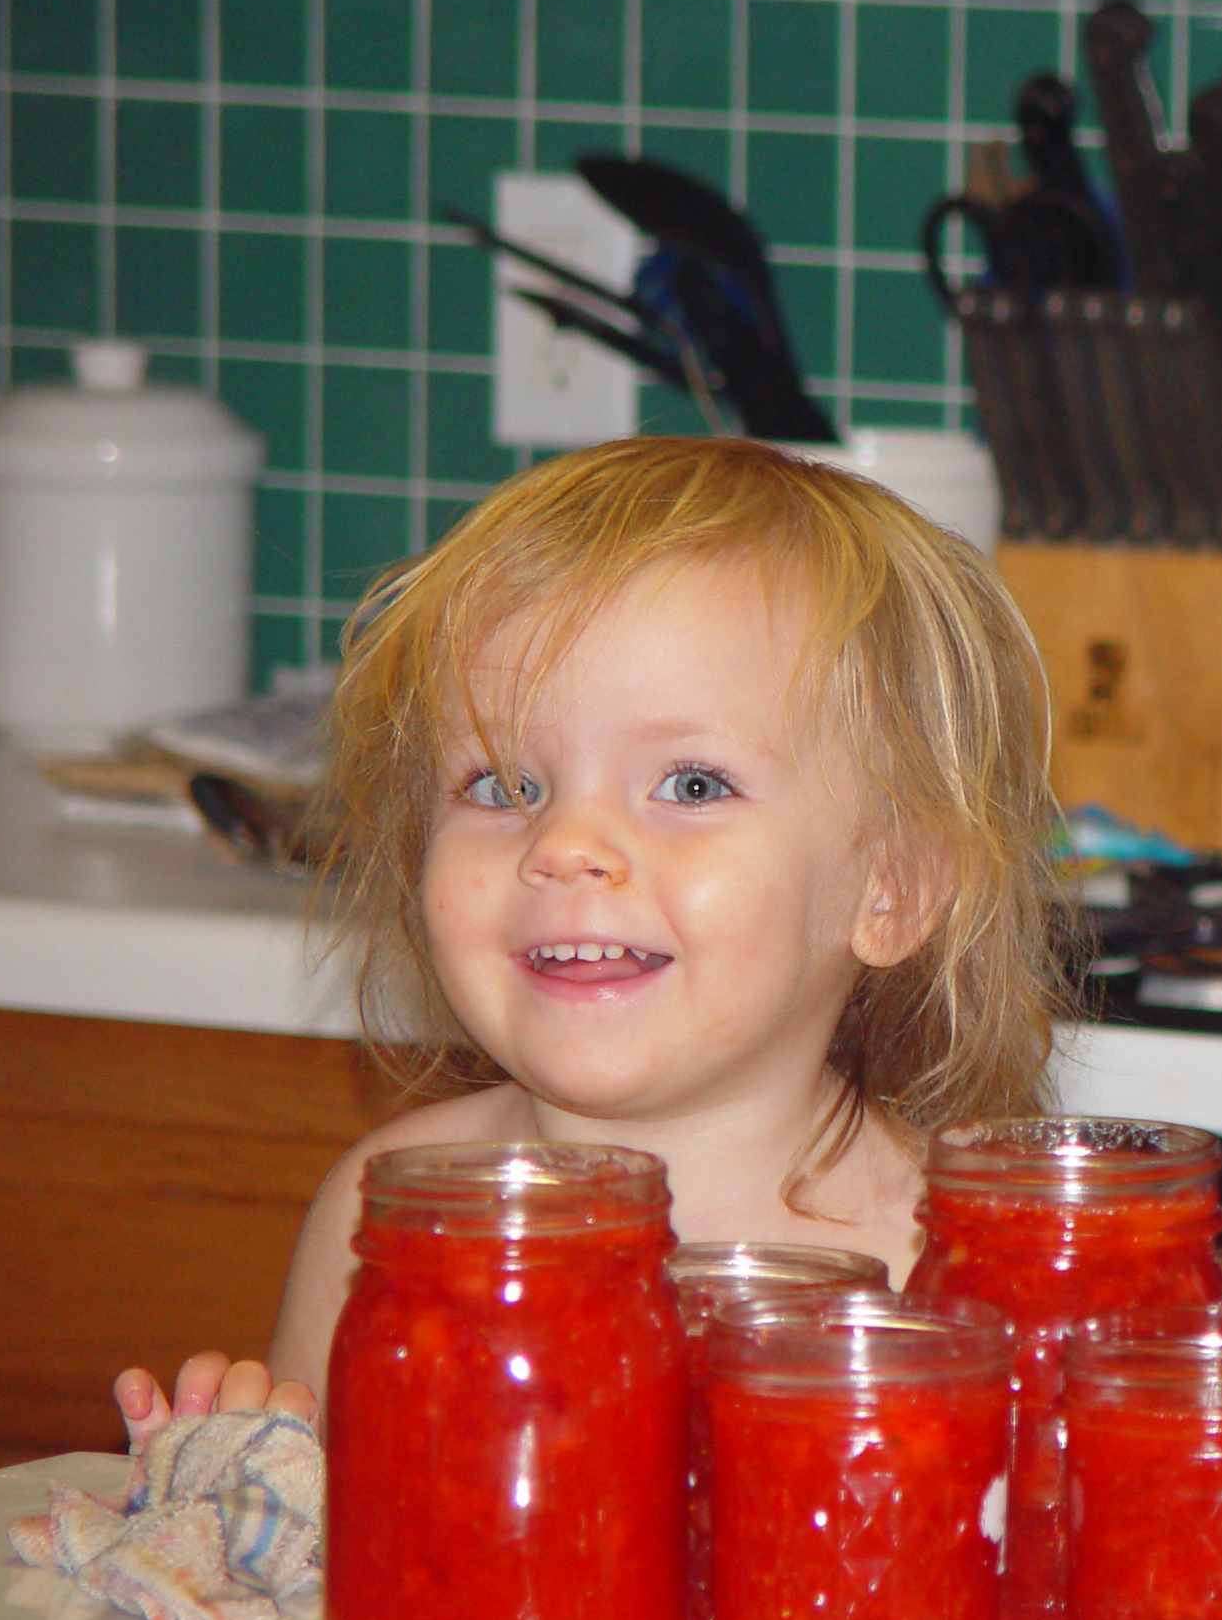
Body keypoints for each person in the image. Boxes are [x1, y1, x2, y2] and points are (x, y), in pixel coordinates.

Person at [112, 434, 1071, 1443]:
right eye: (503, 786)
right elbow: (343, 1577)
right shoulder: (385, 1217)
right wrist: (237, 1497)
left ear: (894, 886)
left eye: (691, 785)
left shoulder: (955, 1273)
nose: (564, 844)